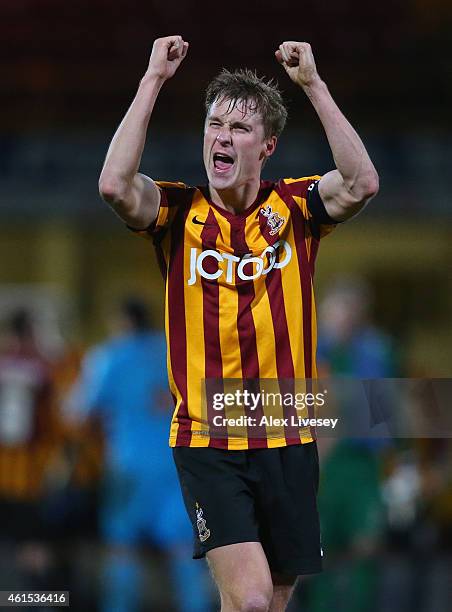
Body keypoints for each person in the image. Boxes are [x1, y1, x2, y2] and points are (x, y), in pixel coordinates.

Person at [98, 35, 379, 612]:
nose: (222, 136)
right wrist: (152, 80)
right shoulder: (177, 213)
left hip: (288, 435)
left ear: (267, 146)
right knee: (251, 599)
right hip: (209, 437)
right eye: (214, 124)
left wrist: (313, 86)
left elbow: (361, 183)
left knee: (269, 601)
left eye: (240, 128)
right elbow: (114, 186)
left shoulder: (295, 209)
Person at [64, 297, 211, 612]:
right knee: (182, 547)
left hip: (128, 465)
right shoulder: (176, 354)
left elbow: (78, 413)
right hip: (176, 466)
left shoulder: (109, 357)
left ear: (124, 322)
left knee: (122, 547)